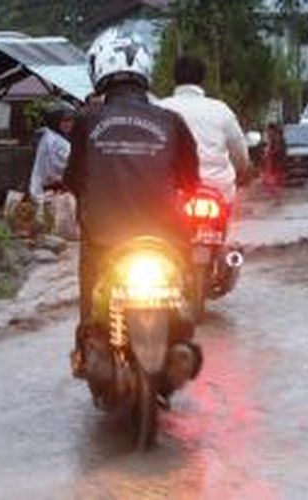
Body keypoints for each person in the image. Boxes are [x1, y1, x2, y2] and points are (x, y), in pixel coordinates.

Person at [64, 30, 199, 373]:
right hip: (167, 236)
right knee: (182, 277)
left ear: (98, 71)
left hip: (106, 237)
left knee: (90, 274)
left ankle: (86, 343)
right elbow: (191, 180)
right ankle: (183, 335)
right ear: (146, 70)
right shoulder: (172, 121)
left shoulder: (85, 120)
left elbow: (74, 177)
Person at [158, 55, 249, 205]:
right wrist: (240, 170)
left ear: (174, 78)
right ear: (202, 79)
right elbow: (240, 156)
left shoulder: (159, 109)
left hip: (175, 193)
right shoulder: (221, 110)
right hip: (219, 190)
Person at [29, 102, 75, 202]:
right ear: (55, 121)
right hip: (51, 192)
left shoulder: (52, 136)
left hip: (50, 189)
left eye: (71, 120)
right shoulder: (55, 142)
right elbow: (67, 165)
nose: (69, 124)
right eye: (65, 121)